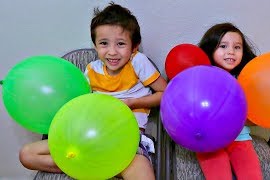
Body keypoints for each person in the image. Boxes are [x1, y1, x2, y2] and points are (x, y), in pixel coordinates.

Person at [19, 2, 167, 180]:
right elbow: (79, 105)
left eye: (120, 44)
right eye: (104, 43)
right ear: (95, 45)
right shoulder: (90, 70)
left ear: (134, 46)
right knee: (27, 155)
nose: (112, 52)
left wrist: (131, 103)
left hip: (125, 138)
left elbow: (165, 93)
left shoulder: (138, 62)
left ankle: (106, 167)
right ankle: (88, 166)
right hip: (87, 136)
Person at [195, 22, 263, 180]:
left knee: (253, 176)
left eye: (237, 47)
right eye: (223, 46)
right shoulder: (201, 76)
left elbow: (253, 115)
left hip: (239, 138)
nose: (231, 52)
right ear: (211, 48)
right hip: (209, 140)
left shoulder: (244, 80)